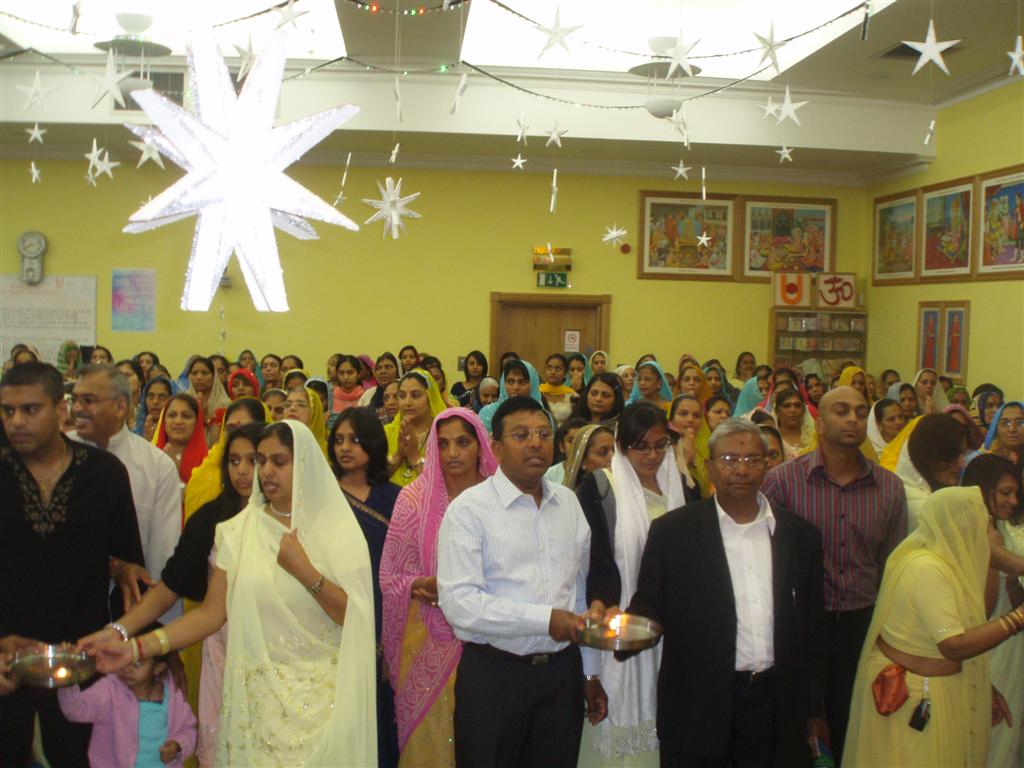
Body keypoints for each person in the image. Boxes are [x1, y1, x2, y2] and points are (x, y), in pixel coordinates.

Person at [92, 421, 378, 766]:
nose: (266, 471)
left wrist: (306, 573)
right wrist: (137, 645)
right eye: (261, 460)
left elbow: (358, 616)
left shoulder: (336, 530)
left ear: (303, 465)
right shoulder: (238, 532)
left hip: (325, 704)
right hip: (259, 704)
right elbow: (211, 614)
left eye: (279, 461)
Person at [615, 417, 826, 767]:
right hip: (698, 708)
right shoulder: (673, 534)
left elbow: (812, 628)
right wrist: (617, 634)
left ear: (768, 465)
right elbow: (649, 608)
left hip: (777, 708)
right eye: (728, 460)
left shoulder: (800, 536)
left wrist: (814, 709)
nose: (740, 469)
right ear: (710, 467)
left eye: (752, 460)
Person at [80, 423, 262, 768]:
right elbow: (169, 588)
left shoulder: (290, 523)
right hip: (224, 650)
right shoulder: (213, 519)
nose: (243, 471)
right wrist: (118, 631)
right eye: (235, 460)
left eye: (254, 460)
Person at [436, 396, 600, 767]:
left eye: (544, 433)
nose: (535, 442)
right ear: (495, 447)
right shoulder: (468, 510)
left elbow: (578, 593)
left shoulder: (569, 504)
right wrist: (544, 620)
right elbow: (461, 604)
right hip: (495, 676)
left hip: (561, 676)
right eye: (521, 434)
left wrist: (590, 672)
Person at [0, 362, 145, 767]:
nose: (16, 422)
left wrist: (122, 569)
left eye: (30, 409)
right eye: (7, 411)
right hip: (6, 655)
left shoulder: (104, 474)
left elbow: (131, 565)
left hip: (81, 655)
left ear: (60, 410)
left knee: (79, 758)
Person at [761, 385, 907, 765]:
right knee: (792, 724)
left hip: (862, 625)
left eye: (860, 412)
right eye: (841, 411)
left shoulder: (889, 489)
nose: (852, 419)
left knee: (853, 726)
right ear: (820, 422)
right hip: (798, 625)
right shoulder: (783, 482)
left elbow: (891, 563)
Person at [844, 487, 1018, 768]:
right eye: (981, 522)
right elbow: (953, 646)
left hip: (941, 687)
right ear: (960, 525)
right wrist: (1017, 618)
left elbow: (999, 559)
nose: (986, 531)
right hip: (913, 695)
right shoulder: (926, 568)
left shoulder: (947, 556)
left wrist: (982, 685)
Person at [380, 408, 498, 766]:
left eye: (462, 443)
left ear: (480, 446)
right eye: (443, 444)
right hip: (426, 638)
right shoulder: (413, 500)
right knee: (428, 741)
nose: (453, 453)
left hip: (489, 639)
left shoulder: (500, 498)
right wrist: (419, 583)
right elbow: (390, 574)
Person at [575, 403, 686, 763]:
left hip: (676, 627)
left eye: (660, 445)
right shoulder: (601, 489)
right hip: (621, 621)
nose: (653, 455)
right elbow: (596, 562)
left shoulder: (682, 486)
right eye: (642, 447)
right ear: (622, 448)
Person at [70, 365, 182, 622]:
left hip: (130, 610)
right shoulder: (57, 455)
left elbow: (162, 559)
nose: (76, 408)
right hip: (63, 609)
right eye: (74, 399)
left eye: (88, 400)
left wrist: (158, 635)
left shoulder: (155, 466)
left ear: (120, 407)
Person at [327, 407, 402, 768]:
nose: (345, 448)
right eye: (339, 439)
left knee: (383, 714)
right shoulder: (321, 498)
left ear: (373, 442)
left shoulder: (397, 498)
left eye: (355, 439)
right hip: (334, 617)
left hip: (387, 616)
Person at [60, 621, 197, 767]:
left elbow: (189, 729)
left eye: (137, 663)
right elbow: (75, 710)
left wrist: (178, 746)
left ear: (158, 667)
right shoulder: (109, 689)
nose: (127, 668)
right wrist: (68, 679)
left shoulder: (173, 694)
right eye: (123, 659)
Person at [962, 455, 1024, 767]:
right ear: (982, 490)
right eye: (1005, 492)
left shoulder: (999, 530)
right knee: (995, 738)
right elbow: (981, 609)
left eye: (1015, 493)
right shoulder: (987, 537)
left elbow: (1009, 594)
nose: (1013, 500)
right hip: (990, 646)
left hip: (1008, 642)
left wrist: (1013, 582)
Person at [895, 414, 967, 530]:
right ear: (929, 455)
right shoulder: (921, 509)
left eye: (963, 454)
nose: (962, 464)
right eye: (953, 455)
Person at [153, 394, 210, 493]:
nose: (178, 421)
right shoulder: (150, 456)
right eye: (172, 415)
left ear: (197, 422)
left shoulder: (208, 461)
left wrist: (175, 477)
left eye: (186, 416)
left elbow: (203, 503)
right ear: (163, 421)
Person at [477, 359, 545, 434]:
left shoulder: (543, 416)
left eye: (522, 382)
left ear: (533, 385)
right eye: (510, 382)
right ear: (503, 383)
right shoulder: (488, 414)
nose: (515, 387)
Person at [668, 394, 709, 501]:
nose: (690, 420)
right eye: (683, 414)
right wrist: (685, 457)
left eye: (696, 416)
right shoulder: (663, 447)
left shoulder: (709, 448)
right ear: (671, 418)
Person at [563, 423, 615, 491]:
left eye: (615, 451)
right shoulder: (573, 498)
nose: (613, 457)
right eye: (602, 453)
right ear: (582, 461)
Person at [772, 387, 817, 460]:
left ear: (804, 410)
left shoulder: (815, 436)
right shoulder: (773, 440)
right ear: (777, 411)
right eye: (786, 406)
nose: (792, 410)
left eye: (797, 405)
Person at [282, 385, 328, 455]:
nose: (292, 408)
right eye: (288, 405)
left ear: (314, 412)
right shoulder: (275, 446)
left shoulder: (329, 452)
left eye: (301, 405)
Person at [546, 417, 588, 486]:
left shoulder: (598, 473)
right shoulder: (549, 475)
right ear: (562, 447)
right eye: (571, 441)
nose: (576, 445)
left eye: (581, 440)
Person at [359, 352, 401, 419]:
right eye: (378, 368)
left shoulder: (406, 393)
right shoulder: (368, 394)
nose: (382, 371)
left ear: (399, 370)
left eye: (388, 367)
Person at [984, 401, 1024, 471]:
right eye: (1005, 423)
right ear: (995, 429)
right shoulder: (984, 463)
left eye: (1020, 423)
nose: (1012, 429)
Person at [540, 353, 577, 425]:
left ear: (565, 373)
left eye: (558, 369)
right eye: (549, 368)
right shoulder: (537, 392)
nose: (553, 372)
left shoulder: (573, 396)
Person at [134, 375, 173, 441]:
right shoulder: (134, 435)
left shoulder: (179, 434)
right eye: (151, 396)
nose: (155, 402)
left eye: (162, 397)